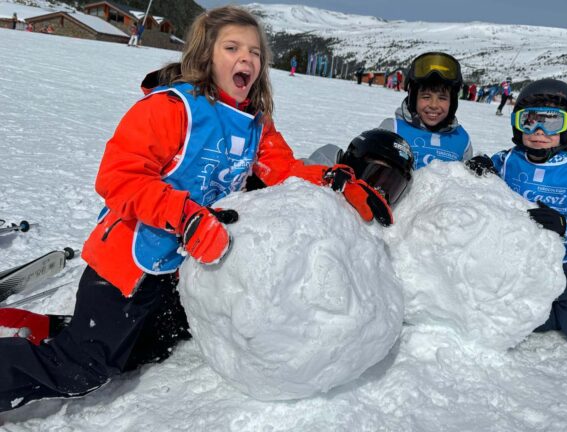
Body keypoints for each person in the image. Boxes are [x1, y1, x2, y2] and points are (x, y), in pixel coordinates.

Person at [0, 6, 393, 413]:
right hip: (129, 263)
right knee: (83, 371)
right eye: (232, 47)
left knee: (157, 344)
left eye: (255, 52)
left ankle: (57, 331)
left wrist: (335, 182)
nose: (248, 58)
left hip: (179, 268)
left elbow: (282, 171)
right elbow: (118, 177)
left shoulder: (255, 123)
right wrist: (186, 217)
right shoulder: (171, 108)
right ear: (205, 56)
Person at [465, 78, 567, 348]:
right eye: (529, 121)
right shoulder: (506, 161)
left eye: (552, 122)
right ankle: (558, 309)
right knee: (525, 322)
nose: (539, 131)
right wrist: (478, 168)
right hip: (525, 263)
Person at [378, 52, 472, 169]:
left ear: (452, 103)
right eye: (426, 97)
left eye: (442, 98)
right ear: (413, 99)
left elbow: (467, 183)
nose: (433, 105)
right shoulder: (393, 130)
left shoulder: (461, 140)